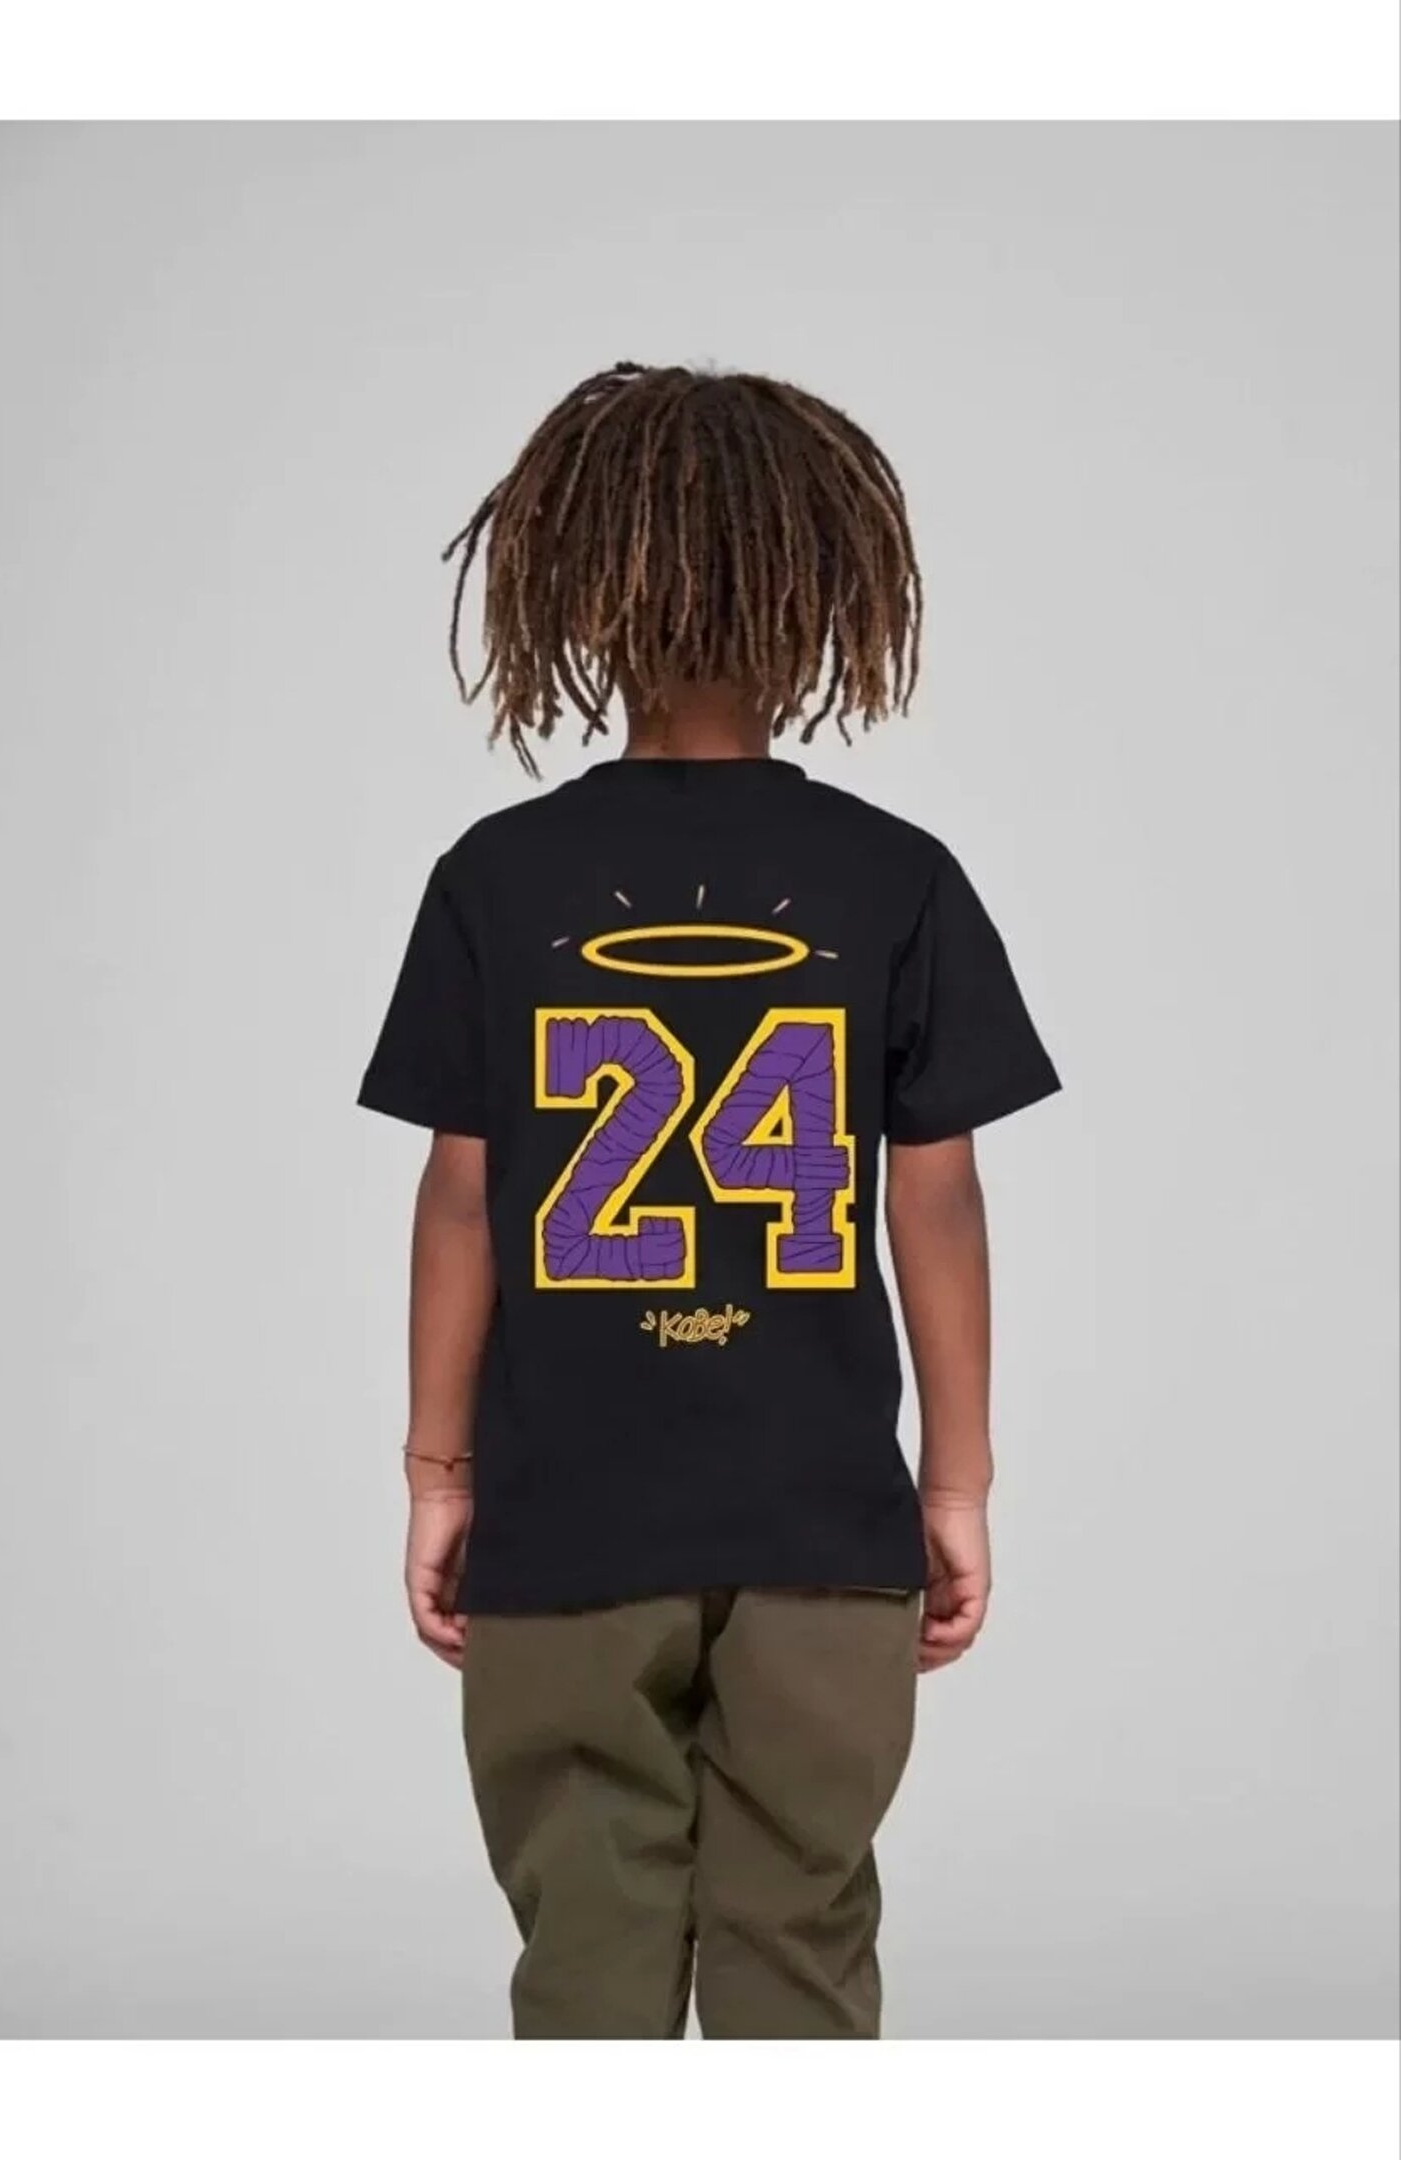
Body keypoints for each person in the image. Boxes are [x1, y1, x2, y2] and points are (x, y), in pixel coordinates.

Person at [359, 361, 1060, 2039]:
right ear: (823, 598)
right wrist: (954, 1485)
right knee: (799, 1941)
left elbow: (462, 1197)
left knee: (584, 1954)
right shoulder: (896, 879)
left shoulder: (495, 879)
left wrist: (440, 1473)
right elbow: (938, 1203)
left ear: (573, 589)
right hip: (822, 1523)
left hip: (567, 1520)